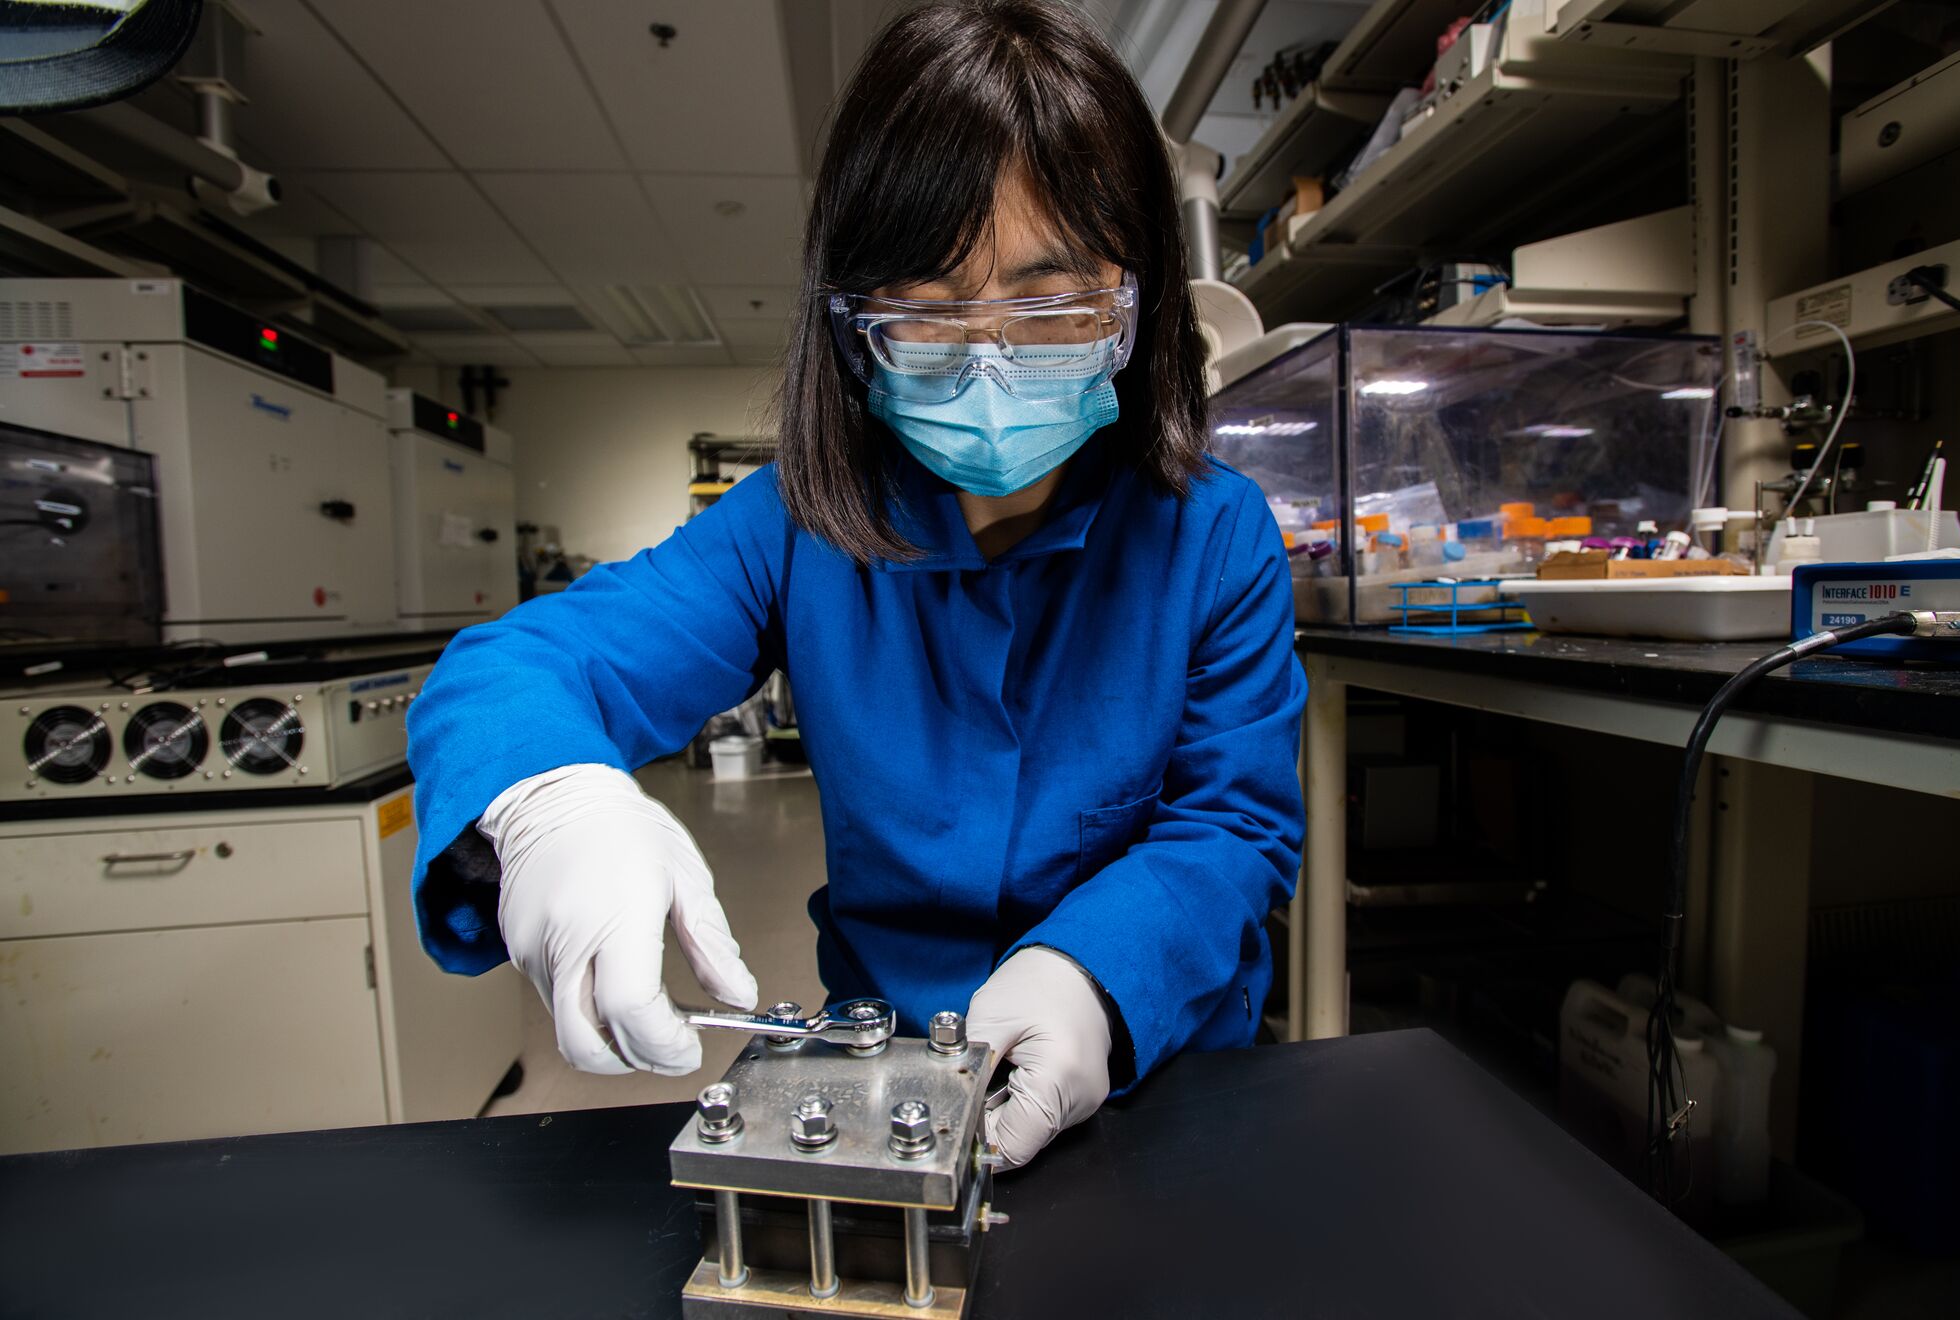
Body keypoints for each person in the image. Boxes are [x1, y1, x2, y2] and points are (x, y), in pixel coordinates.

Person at [406, 0, 1304, 1170]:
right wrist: (546, 805)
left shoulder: (1217, 534)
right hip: (894, 1082)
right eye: (925, 317)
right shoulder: (795, 525)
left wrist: (1095, 976)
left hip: (1157, 1064)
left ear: (1138, 298)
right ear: (847, 327)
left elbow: (1233, 823)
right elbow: (525, 664)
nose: (991, 363)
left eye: (1051, 303)